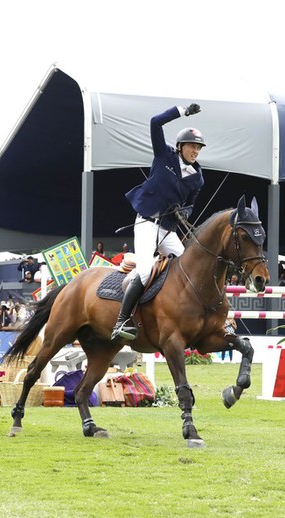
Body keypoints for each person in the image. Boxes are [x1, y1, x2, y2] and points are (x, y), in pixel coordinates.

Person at [111, 102, 205, 342]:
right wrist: (181, 111)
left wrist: (184, 212)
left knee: (189, 266)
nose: (196, 151)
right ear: (181, 146)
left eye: (199, 148)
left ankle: (185, 316)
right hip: (145, 223)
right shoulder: (163, 155)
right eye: (192, 146)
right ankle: (121, 321)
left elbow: (191, 205)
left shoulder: (198, 179)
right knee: (144, 270)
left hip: (167, 229)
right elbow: (155, 122)